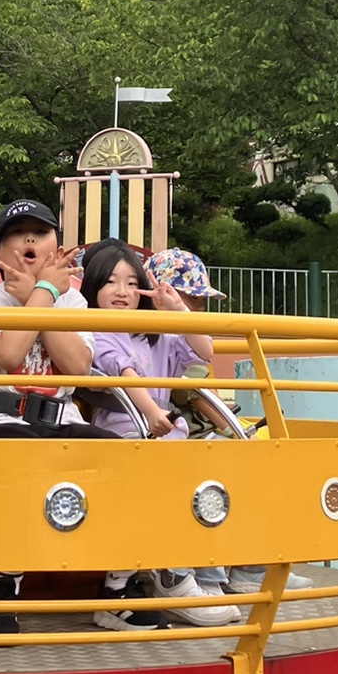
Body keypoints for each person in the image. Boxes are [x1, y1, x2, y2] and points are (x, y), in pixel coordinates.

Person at [0, 199, 121, 636]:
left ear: (56, 248)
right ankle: (1, 587)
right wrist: (44, 294)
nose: (29, 238)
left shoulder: (73, 300)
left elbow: (77, 367)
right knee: (15, 455)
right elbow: (9, 355)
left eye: (40, 231)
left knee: (127, 459)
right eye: (16, 232)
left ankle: (119, 588)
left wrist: (38, 296)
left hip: (62, 418)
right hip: (1, 419)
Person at [84, 242, 241, 629]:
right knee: (165, 486)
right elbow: (124, 374)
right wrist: (153, 413)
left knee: (214, 477)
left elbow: (204, 350)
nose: (122, 291)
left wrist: (178, 312)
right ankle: (174, 579)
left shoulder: (159, 335)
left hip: (166, 435)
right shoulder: (97, 332)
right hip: (125, 433)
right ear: (93, 287)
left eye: (131, 282)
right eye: (110, 282)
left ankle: (208, 575)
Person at [142, 248, 313, 597]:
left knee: (258, 470)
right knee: (223, 474)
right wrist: (236, 431)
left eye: (200, 302)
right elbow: (199, 396)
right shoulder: (169, 337)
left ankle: (250, 565)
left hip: (197, 430)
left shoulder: (185, 336)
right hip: (184, 433)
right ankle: (214, 573)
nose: (199, 309)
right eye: (192, 300)